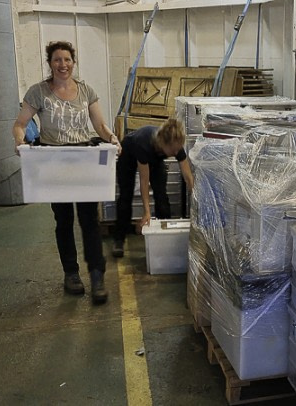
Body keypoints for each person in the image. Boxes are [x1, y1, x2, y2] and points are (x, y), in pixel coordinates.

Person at [12, 41, 121, 304]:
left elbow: (100, 124)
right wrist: (20, 142)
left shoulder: (86, 91)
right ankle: (71, 274)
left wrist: (113, 138)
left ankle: (97, 276)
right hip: (54, 161)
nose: (63, 65)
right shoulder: (38, 92)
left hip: (83, 159)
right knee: (63, 221)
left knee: (89, 222)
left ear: (74, 62)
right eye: (57, 60)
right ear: (50, 63)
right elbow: (20, 124)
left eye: (67, 60)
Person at [112, 119, 194, 257]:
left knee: (161, 195)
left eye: (177, 149)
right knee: (126, 196)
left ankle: (165, 237)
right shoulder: (144, 144)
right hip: (128, 156)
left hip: (155, 158)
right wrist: (146, 213)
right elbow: (144, 183)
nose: (176, 152)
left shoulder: (175, 144)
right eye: (173, 150)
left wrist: (195, 198)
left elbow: (187, 175)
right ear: (164, 144)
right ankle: (119, 239)